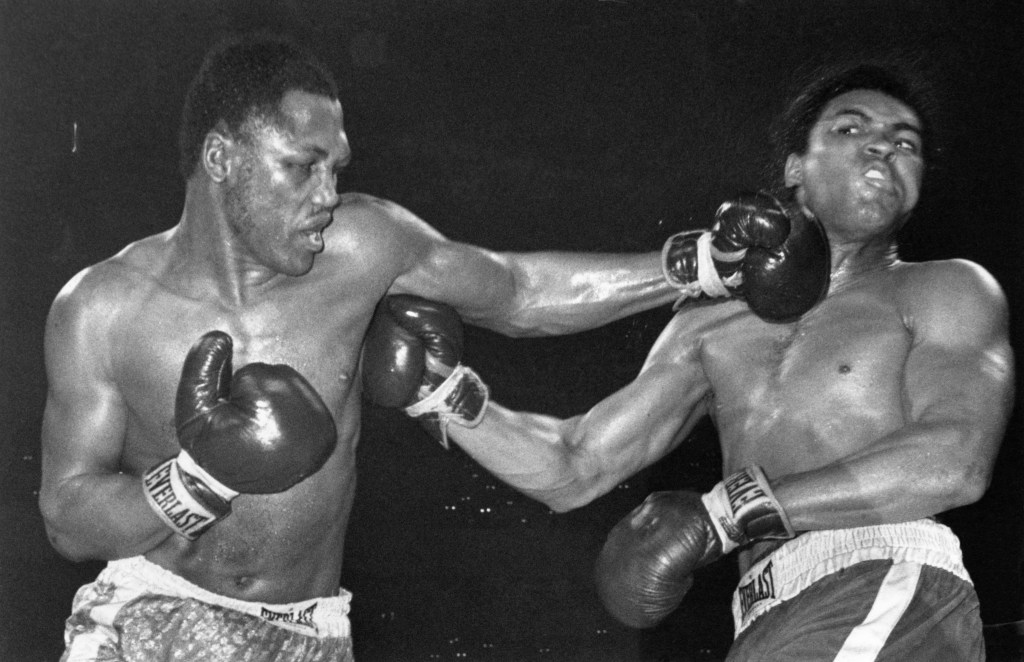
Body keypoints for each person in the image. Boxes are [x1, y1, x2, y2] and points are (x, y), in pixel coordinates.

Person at [37, 32, 705, 661]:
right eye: (302, 167)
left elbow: (520, 291)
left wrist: (696, 265)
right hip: (154, 618)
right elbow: (68, 518)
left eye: (336, 168)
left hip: (311, 634)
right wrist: (198, 478)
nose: (328, 194)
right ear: (221, 158)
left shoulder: (363, 247)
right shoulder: (104, 308)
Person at [365, 61, 1016, 659]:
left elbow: (953, 460)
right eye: (852, 128)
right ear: (795, 167)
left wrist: (723, 515)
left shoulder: (945, 289)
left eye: (906, 143)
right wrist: (443, 394)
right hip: (769, 609)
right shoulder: (711, 321)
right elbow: (577, 462)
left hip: (885, 579)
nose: (883, 146)